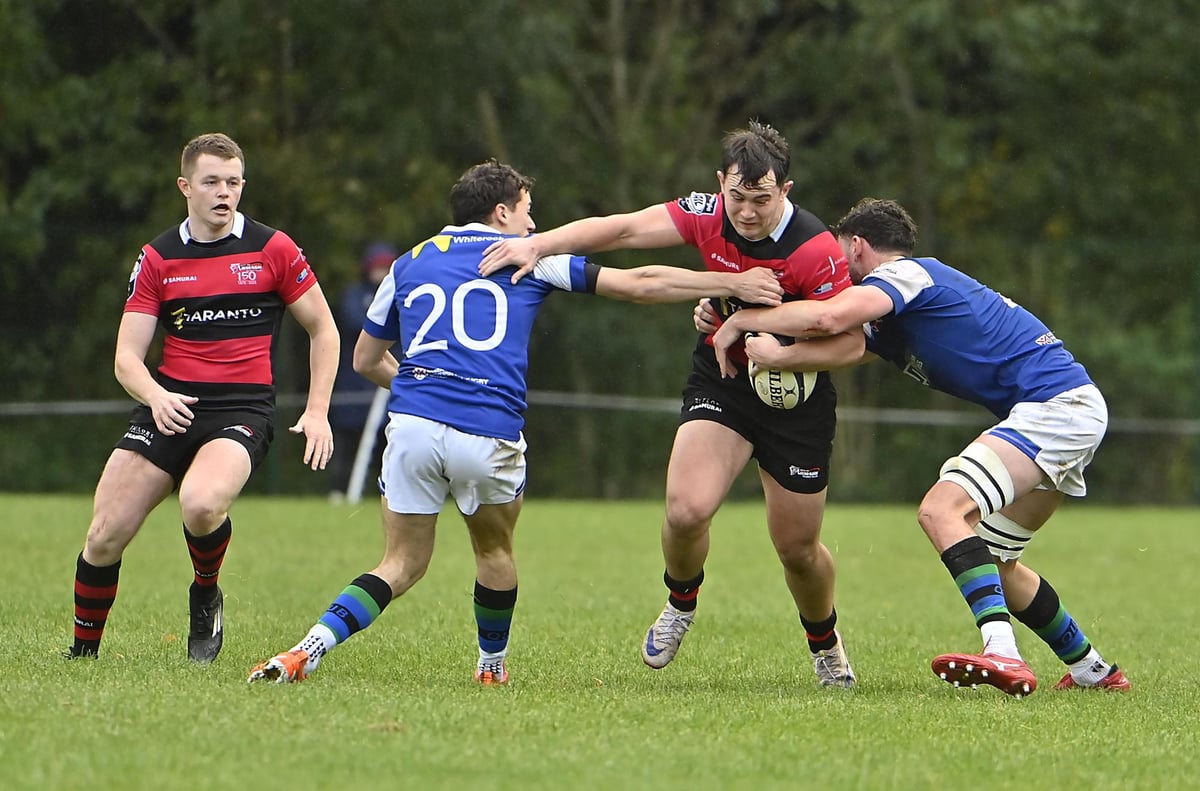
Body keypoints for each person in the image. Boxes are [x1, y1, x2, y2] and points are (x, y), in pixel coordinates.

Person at [247, 158, 785, 685]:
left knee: (400, 563)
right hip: (487, 431)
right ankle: (491, 666)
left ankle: (308, 648)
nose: (534, 225)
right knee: (494, 551)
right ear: (501, 212)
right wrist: (731, 284)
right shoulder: (531, 257)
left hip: (412, 426)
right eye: (527, 211)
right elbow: (641, 282)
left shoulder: (407, 263)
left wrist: (422, 387)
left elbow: (366, 359)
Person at [477, 121, 865, 688]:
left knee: (797, 550)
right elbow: (625, 229)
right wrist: (538, 244)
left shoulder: (816, 250)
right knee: (685, 511)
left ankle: (824, 642)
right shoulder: (707, 212)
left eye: (762, 200)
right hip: (723, 380)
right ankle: (681, 603)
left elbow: (850, 344)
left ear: (785, 190)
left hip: (796, 401)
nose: (747, 212)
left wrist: (781, 351)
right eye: (737, 197)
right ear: (720, 182)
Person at [709, 197, 1130, 696]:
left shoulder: (906, 275)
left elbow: (827, 317)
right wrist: (743, 326)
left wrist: (746, 323)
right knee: (995, 562)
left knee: (940, 511)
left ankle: (1002, 652)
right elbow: (844, 346)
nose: (834, 272)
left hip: (1055, 408)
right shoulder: (893, 315)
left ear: (857, 246)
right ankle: (1094, 670)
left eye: (839, 256)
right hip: (1067, 410)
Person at [66, 132, 339, 664]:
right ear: (185, 186)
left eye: (233, 182)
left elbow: (324, 330)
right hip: (169, 405)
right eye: (211, 182)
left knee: (201, 503)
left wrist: (317, 411)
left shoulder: (273, 249)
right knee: (104, 534)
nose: (224, 192)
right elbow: (126, 358)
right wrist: (156, 396)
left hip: (241, 409)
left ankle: (206, 593)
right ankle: (81, 657)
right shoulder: (158, 258)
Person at [327, 242, 398, 502]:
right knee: (347, 441)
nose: (381, 272)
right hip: (355, 383)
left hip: (386, 382)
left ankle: (387, 491)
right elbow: (358, 323)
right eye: (377, 266)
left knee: (388, 441)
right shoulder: (354, 295)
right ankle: (338, 491)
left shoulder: (399, 292)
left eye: (386, 266)